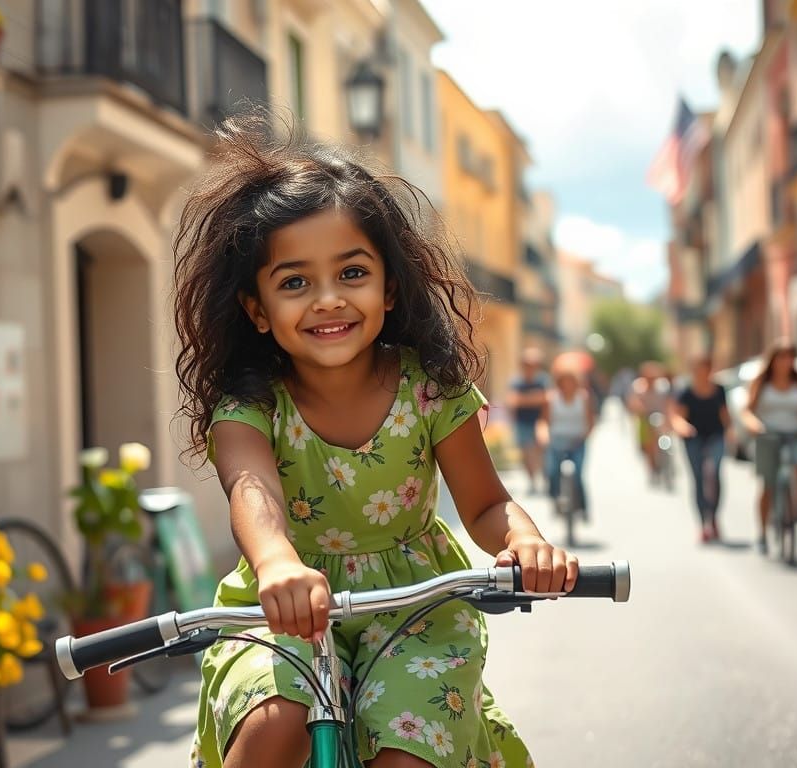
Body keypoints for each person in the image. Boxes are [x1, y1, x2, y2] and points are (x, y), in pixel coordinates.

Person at [172, 115, 577, 768]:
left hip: (415, 607)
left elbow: (484, 506)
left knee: (409, 751)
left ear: (390, 288)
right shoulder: (250, 404)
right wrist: (276, 564)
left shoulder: (430, 390)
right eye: (295, 282)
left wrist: (525, 542)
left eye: (352, 273)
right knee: (274, 723)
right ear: (257, 309)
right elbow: (252, 490)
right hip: (281, 605)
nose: (328, 300)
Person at [741, 339, 797, 554]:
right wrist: (755, 425)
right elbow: (747, 410)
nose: (786, 362)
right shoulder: (762, 381)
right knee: (768, 485)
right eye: (781, 357)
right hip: (768, 436)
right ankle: (763, 532)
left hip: (794, 435)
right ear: (773, 360)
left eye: (790, 357)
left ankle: (795, 505)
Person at [671, 357, 731, 542]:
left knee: (714, 474)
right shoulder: (686, 392)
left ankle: (713, 516)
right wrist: (683, 427)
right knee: (697, 478)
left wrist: (731, 432)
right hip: (693, 438)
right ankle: (702, 523)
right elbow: (677, 417)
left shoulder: (719, 390)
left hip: (715, 437)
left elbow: (724, 414)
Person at [537, 356, 596, 518]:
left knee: (577, 474)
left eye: (571, 380)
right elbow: (543, 422)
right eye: (564, 380)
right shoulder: (551, 398)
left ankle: (583, 508)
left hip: (578, 441)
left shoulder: (583, 397)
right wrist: (543, 436)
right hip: (557, 441)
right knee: (553, 471)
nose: (567, 384)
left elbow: (591, 420)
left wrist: (585, 436)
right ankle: (556, 500)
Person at [507, 347, 550, 494]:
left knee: (540, 452)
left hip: (539, 422)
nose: (531, 367)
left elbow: (547, 399)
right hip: (522, 423)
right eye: (528, 364)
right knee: (526, 454)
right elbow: (512, 402)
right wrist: (536, 398)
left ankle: (544, 478)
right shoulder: (516, 381)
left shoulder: (543, 380)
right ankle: (532, 481)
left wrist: (524, 399)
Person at [627, 361, 672, 482]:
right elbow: (634, 402)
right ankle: (652, 468)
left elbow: (668, 403)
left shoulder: (663, 386)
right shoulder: (638, 387)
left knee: (664, 438)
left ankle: (666, 463)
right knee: (648, 444)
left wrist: (669, 418)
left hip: (660, 416)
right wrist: (640, 408)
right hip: (645, 417)